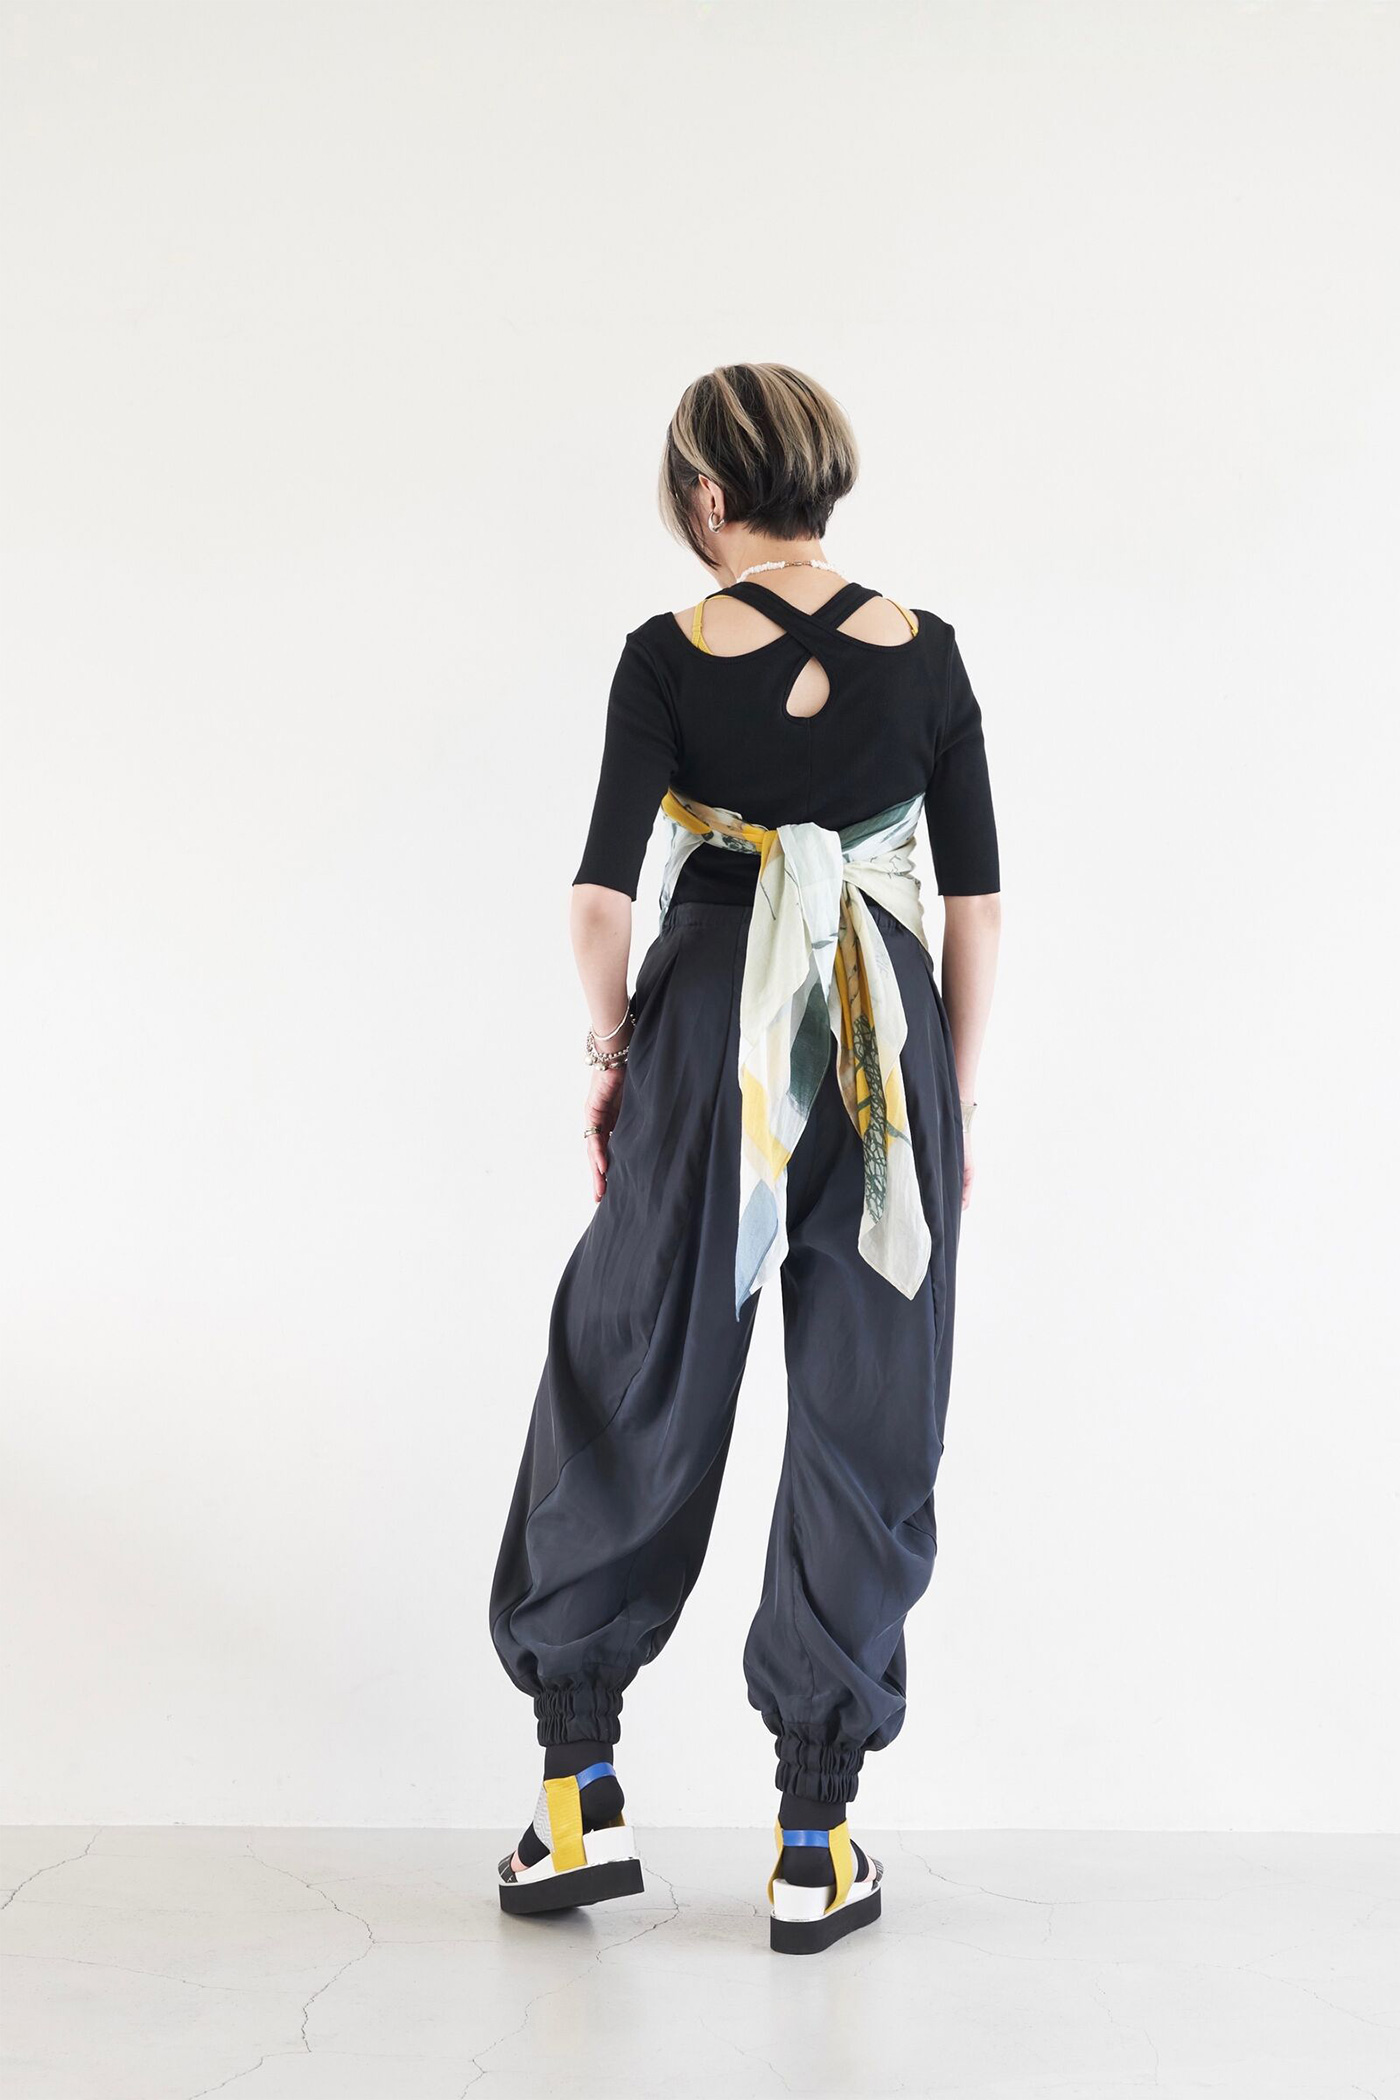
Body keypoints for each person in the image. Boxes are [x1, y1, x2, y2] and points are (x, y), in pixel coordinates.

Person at [488, 361, 1001, 1955]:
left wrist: (614, 1057)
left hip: (715, 1011)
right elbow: (976, 906)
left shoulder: (666, 654)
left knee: (634, 1364)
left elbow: (599, 899)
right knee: (868, 1400)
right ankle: (812, 1838)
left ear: (707, 497)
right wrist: (948, 1106)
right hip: (881, 1023)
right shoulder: (931, 654)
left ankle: (580, 1796)